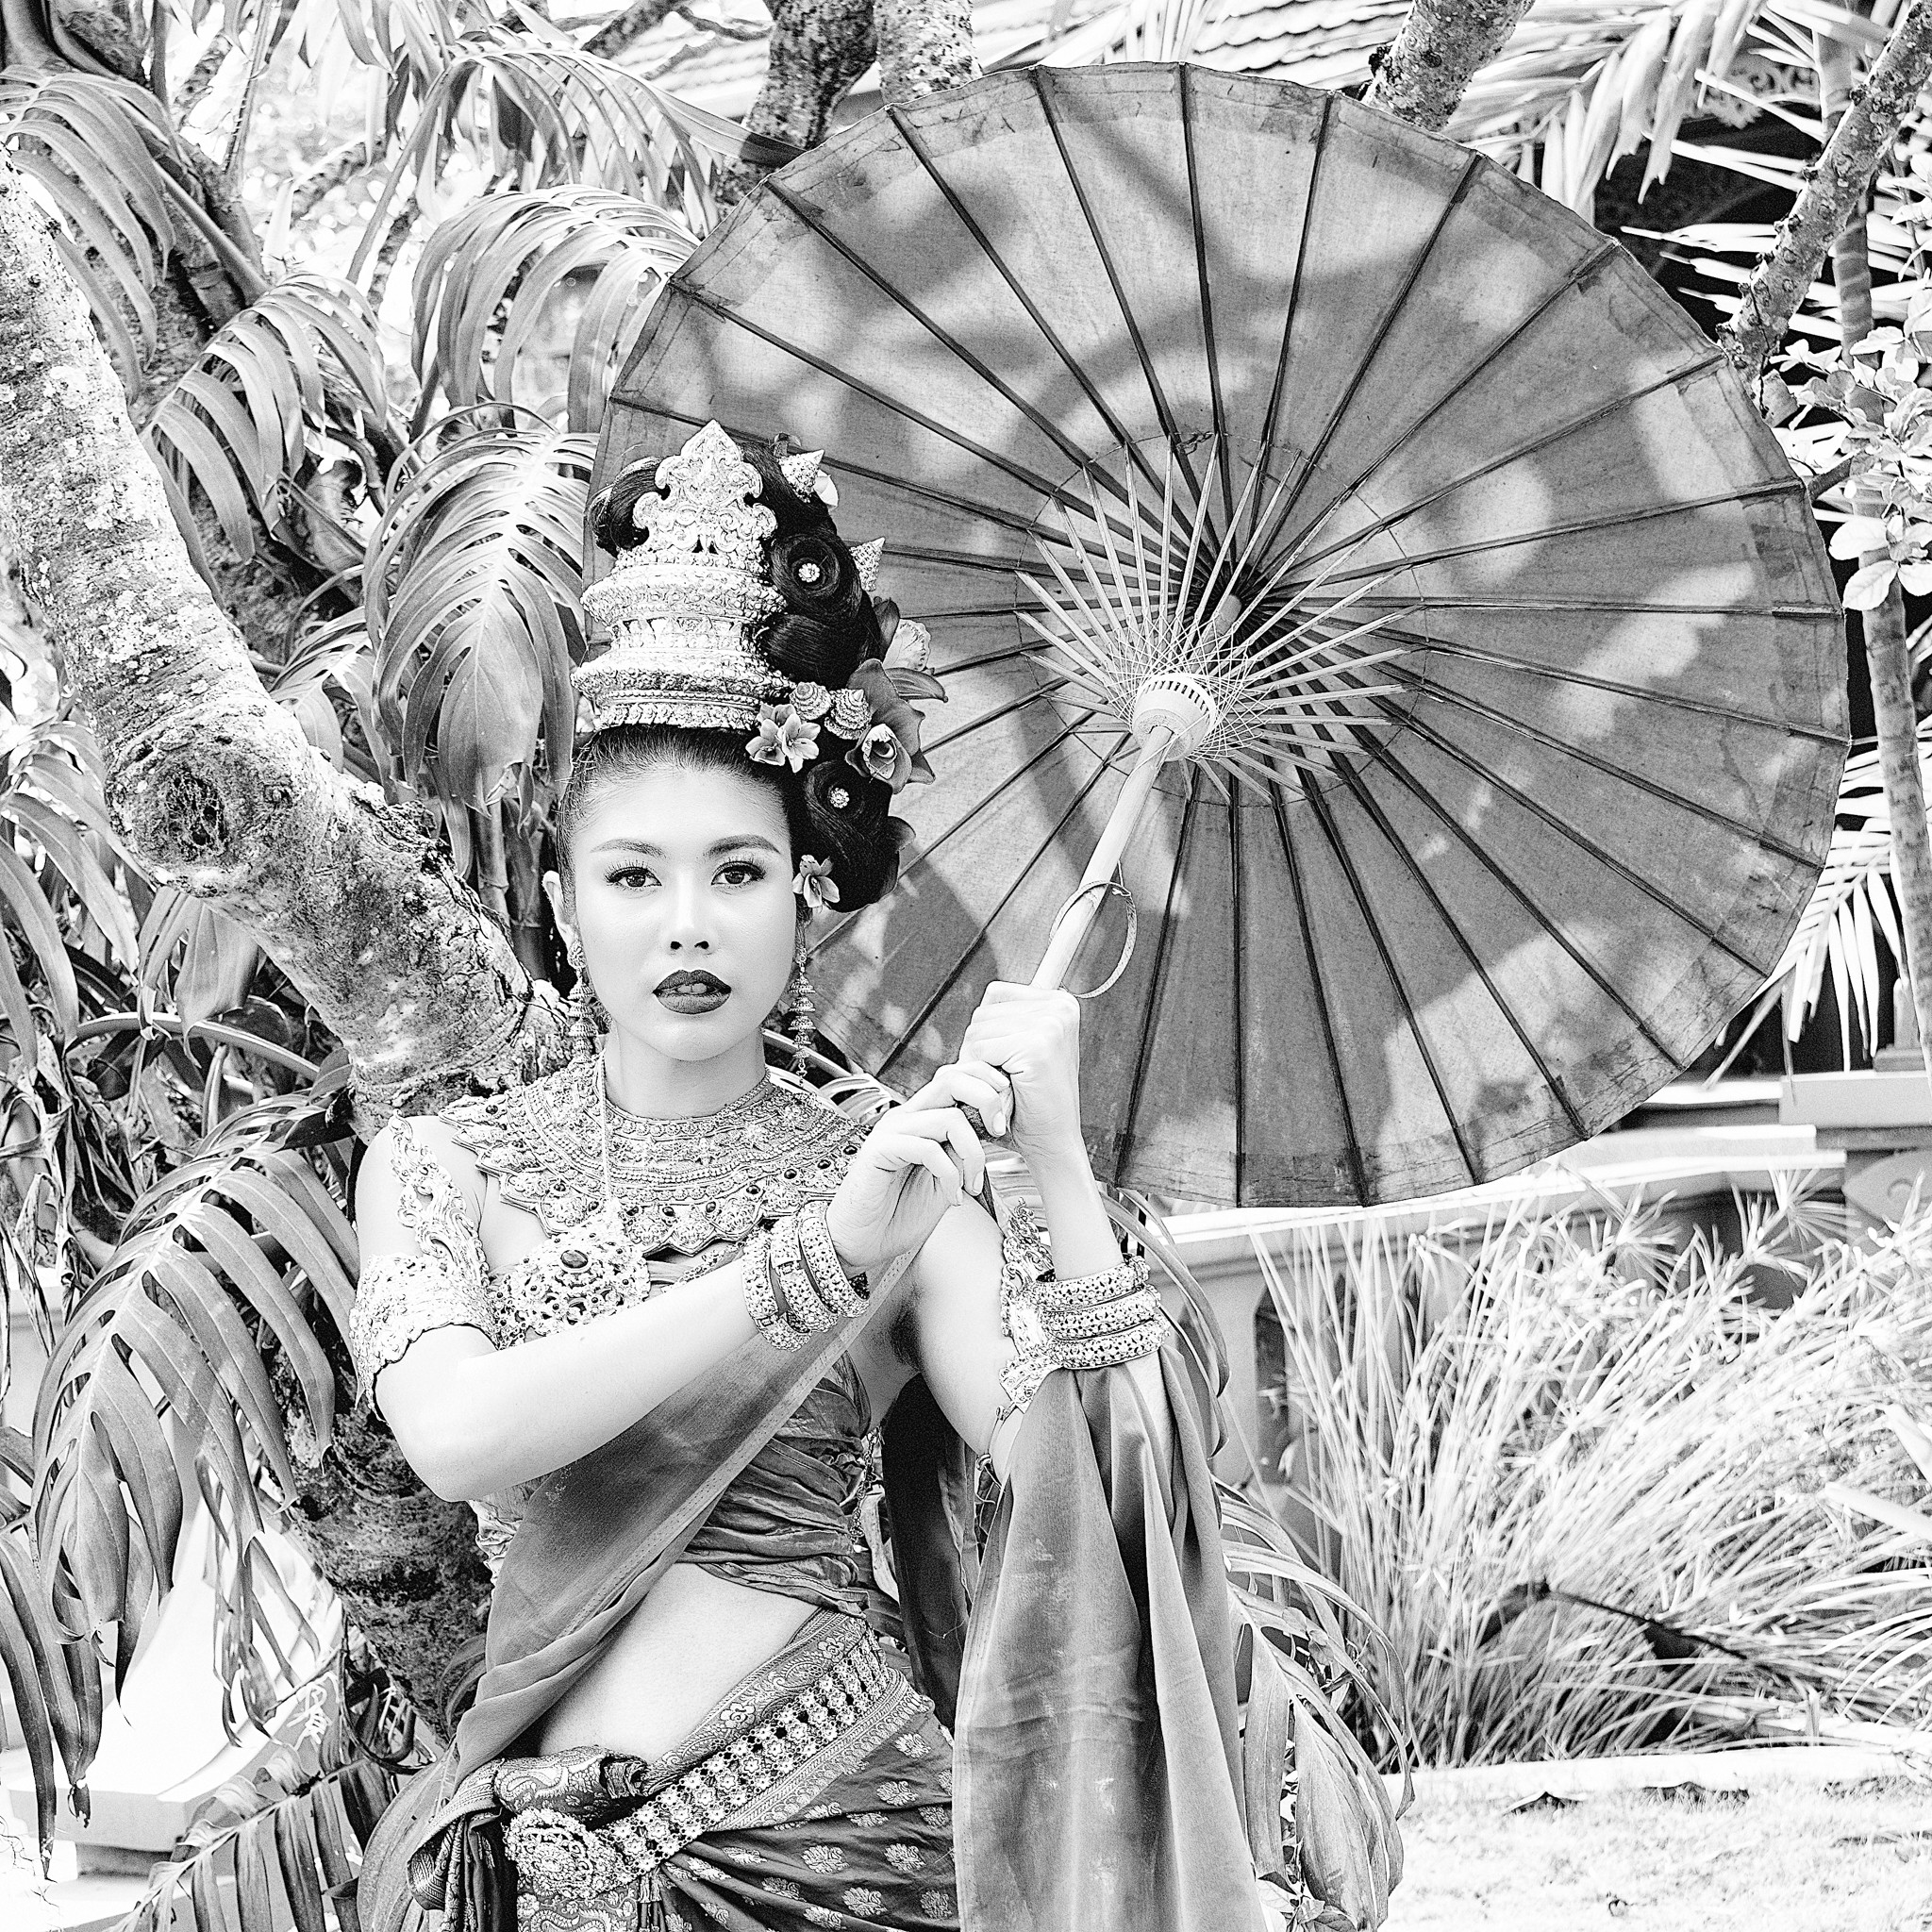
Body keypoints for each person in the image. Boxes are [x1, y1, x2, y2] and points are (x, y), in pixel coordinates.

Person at [349, 423, 1297, 1932]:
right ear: (559, 903)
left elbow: (1102, 1491)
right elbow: (457, 1436)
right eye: (634, 876)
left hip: (845, 1840)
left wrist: (1051, 1167)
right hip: (531, 1872)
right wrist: (806, 1266)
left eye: (735, 872)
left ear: (803, 896)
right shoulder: (445, 1166)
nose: (686, 927)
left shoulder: (905, 1186)